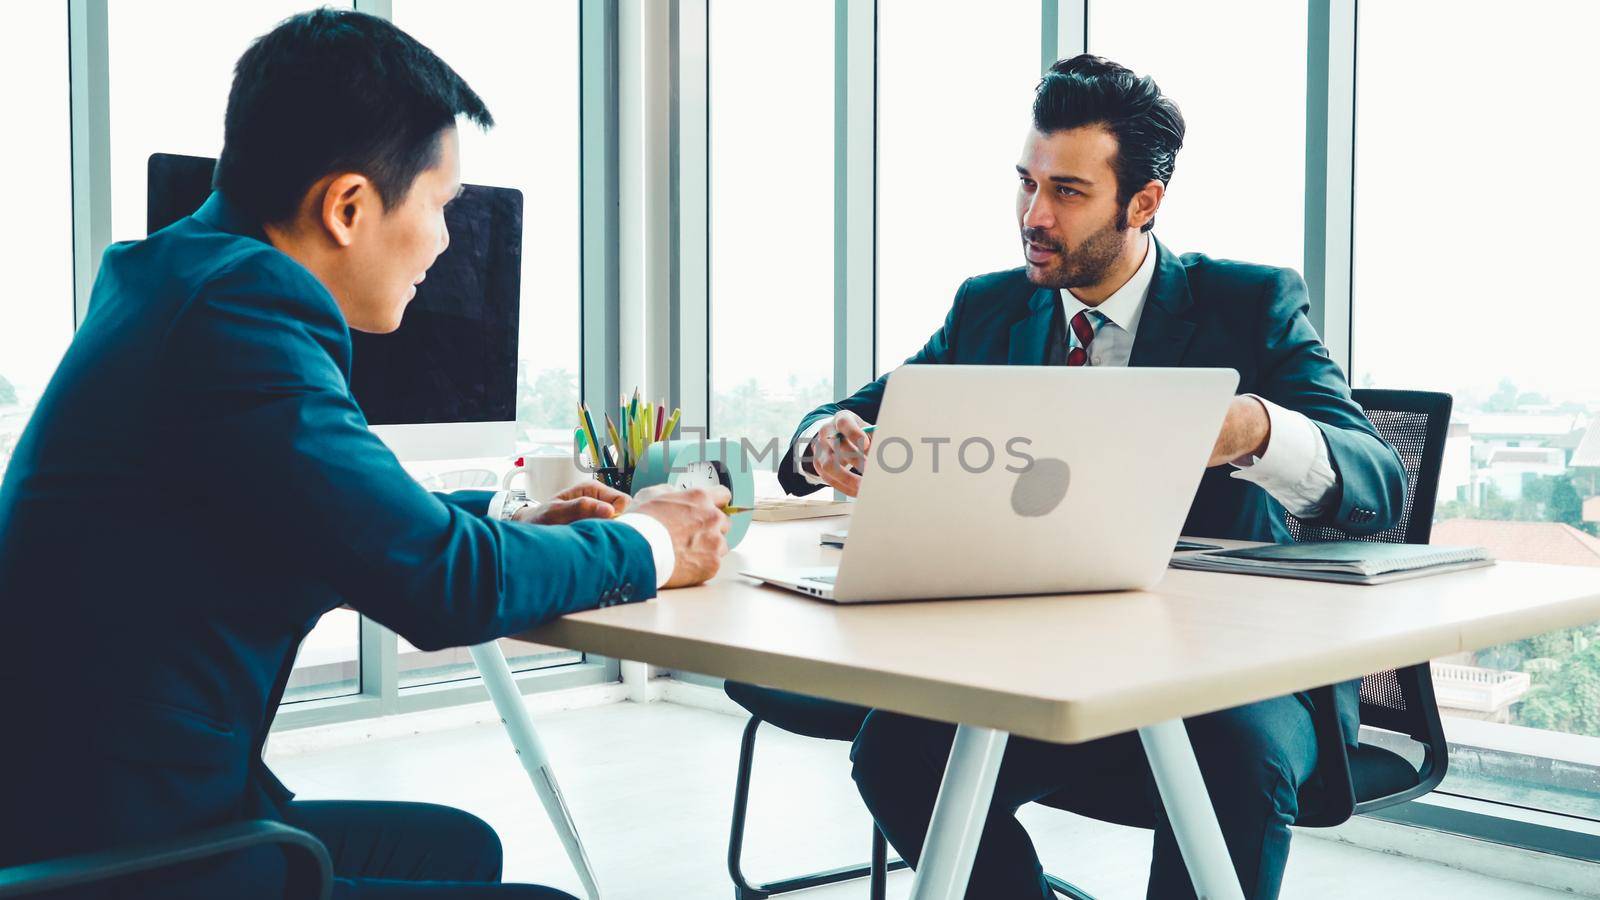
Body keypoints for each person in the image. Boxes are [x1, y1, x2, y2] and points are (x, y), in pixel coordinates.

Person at [0, 10, 729, 899]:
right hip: (127, 858)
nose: (448, 241)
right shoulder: (242, 317)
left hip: (89, 810)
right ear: (348, 207)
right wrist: (654, 539)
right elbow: (441, 584)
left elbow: (319, 517)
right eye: (440, 205)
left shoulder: (176, 277)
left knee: (452, 848)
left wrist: (511, 517)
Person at [775, 55, 1407, 899]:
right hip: (1043, 662)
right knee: (897, 747)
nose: (1034, 215)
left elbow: (1377, 483)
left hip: (1225, 676)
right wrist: (822, 440)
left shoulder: (1246, 305)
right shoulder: (990, 309)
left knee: (1233, 761)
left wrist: (1256, 430)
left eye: (1067, 192)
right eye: (1026, 183)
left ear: (1143, 202)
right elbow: (852, 412)